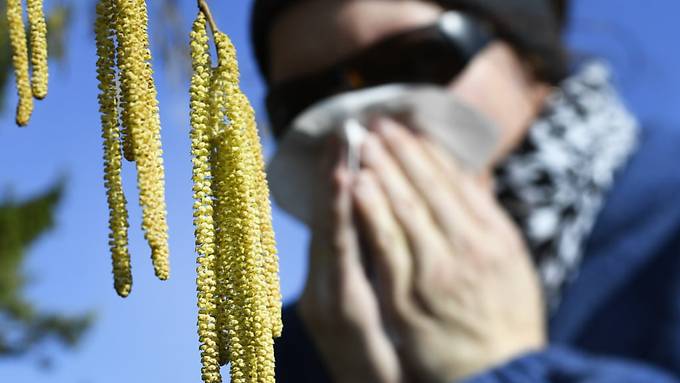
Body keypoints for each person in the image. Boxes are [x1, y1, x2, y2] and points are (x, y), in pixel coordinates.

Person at [249, 0, 680, 382]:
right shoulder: (294, 346)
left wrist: (495, 368)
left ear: (530, 56)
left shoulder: (665, 230)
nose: (360, 119)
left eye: (416, 61)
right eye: (306, 102)